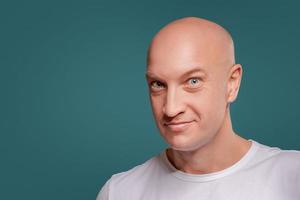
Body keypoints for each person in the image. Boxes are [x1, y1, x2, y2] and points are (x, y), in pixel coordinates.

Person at [96, 17, 300, 200]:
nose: (171, 108)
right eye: (158, 84)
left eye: (193, 81)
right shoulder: (119, 192)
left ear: (232, 83)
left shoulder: (293, 176)